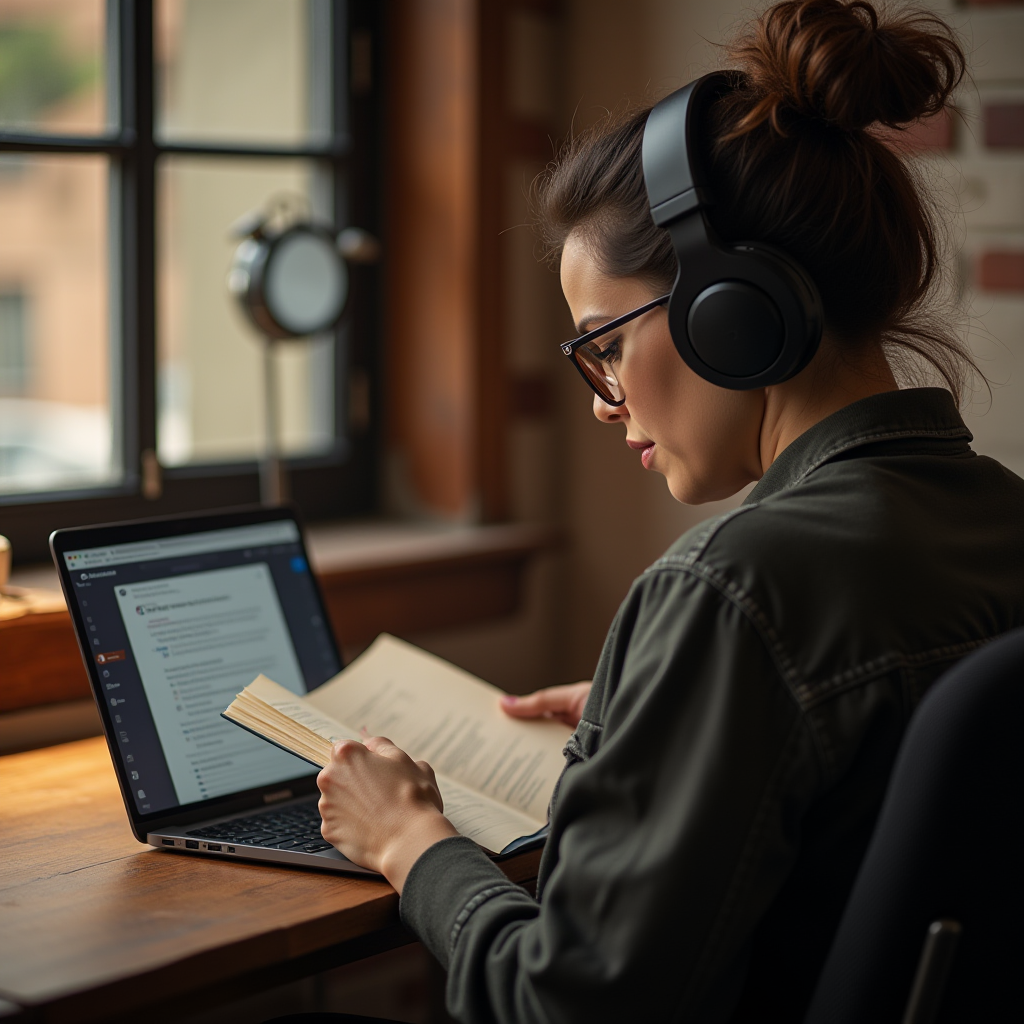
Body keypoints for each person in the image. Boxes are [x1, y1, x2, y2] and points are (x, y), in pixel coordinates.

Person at [311, 2, 1024, 1021]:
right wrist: (656, 710)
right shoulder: (1003, 519)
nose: (602, 399)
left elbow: (565, 1006)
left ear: (732, 310)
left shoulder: (734, 593)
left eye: (603, 343)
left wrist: (409, 842)